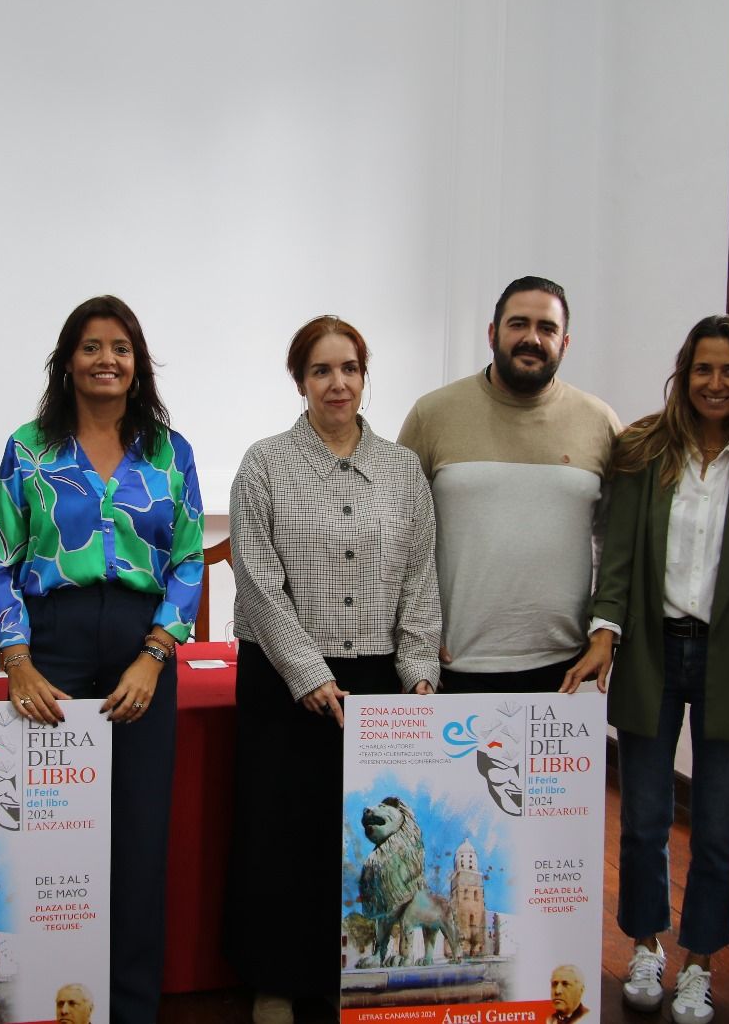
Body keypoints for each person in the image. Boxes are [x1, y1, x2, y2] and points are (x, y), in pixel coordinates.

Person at [561, 316, 729, 1024]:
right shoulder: (643, 451)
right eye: (704, 369)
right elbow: (621, 560)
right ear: (684, 374)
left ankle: (699, 962)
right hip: (652, 652)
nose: (716, 383)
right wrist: (604, 633)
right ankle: (646, 946)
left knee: (721, 828)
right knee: (643, 819)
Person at [0, 295, 203, 1024]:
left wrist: (154, 655)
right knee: (50, 835)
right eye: (90, 346)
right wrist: (16, 661)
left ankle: (131, 1009)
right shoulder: (29, 448)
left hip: (143, 647)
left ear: (137, 363)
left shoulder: (171, 452)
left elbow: (187, 562)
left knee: (138, 842)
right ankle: (46, 1002)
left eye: (120, 347)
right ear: (67, 361)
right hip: (53, 646)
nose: (105, 359)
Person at [225, 315, 441, 1024]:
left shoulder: (404, 469)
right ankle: (276, 981)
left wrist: (418, 672)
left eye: (349, 367)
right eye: (321, 370)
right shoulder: (265, 464)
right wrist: (307, 671)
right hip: (281, 681)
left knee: (354, 838)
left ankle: (344, 976)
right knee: (279, 834)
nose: (337, 382)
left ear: (364, 374)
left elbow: (420, 577)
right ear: (300, 381)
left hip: (376, 681)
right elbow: (256, 579)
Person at [398, 275, 620, 692]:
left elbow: (615, 542)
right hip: (451, 665)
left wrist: (605, 629)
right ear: (492, 333)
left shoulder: (599, 421)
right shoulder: (434, 414)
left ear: (565, 344)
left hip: (565, 667)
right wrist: (413, 640)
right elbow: (397, 535)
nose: (531, 338)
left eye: (547, 328)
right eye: (518, 324)